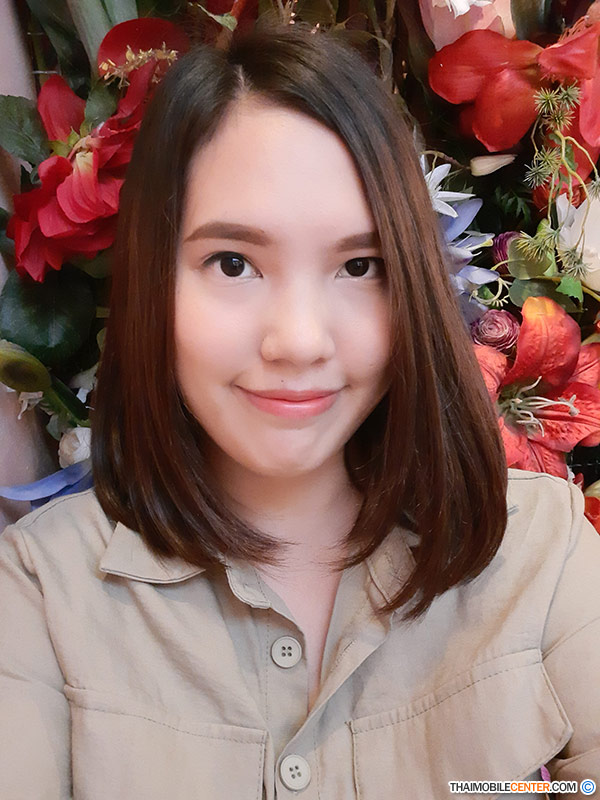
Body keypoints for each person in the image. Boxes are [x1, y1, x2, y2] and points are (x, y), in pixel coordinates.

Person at [0, 20, 599, 800]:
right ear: (154, 283)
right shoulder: (41, 596)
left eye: (359, 265)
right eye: (233, 263)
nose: (299, 340)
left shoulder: (543, 553)